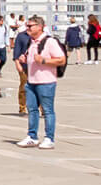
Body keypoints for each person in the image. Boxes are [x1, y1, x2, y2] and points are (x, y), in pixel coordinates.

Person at [18, 16, 65, 149]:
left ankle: (49, 138)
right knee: (32, 109)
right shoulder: (31, 42)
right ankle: (32, 136)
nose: (27, 28)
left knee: (48, 110)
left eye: (30, 26)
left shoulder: (50, 42)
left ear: (39, 27)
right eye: (27, 26)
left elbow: (61, 60)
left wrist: (44, 61)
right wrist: (23, 59)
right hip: (31, 81)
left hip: (46, 82)